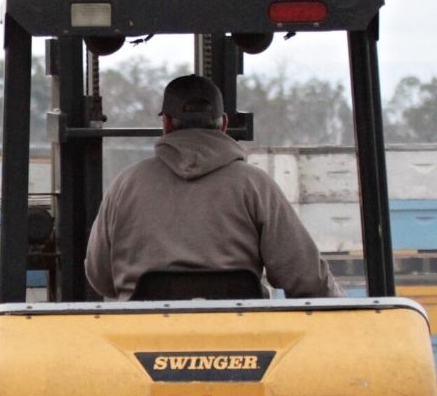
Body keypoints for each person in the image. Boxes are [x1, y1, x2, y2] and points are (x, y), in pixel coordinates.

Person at [85, 73, 342, 301]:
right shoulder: (255, 185)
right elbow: (307, 278)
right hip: (244, 341)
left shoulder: (126, 185)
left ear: (165, 124)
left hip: (138, 338)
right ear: (224, 124)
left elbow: (100, 277)